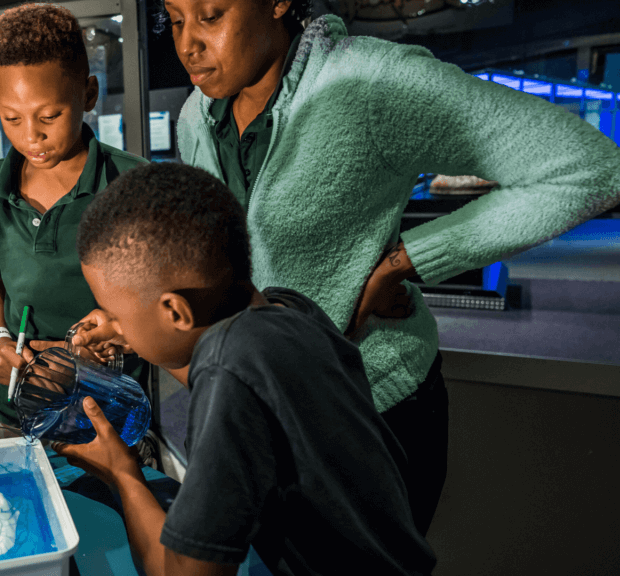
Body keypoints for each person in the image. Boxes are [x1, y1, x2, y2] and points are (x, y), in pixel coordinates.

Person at [151, 0, 620, 533]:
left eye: (211, 16)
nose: (187, 44)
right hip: (261, 410)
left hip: (369, 412)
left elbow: (590, 168)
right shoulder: (196, 117)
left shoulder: (372, 81)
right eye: (175, 20)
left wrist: (406, 260)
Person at [58, 162, 437, 576]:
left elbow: (184, 573)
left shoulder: (229, 372)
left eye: (114, 313)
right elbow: (228, 373)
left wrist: (122, 473)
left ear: (175, 312)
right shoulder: (289, 310)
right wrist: (136, 332)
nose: (112, 324)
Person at [0, 3, 149, 428]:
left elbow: (164, 309)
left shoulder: (135, 184)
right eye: (11, 118)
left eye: (49, 116)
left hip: (108, 415)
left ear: (88, 94)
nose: (31, 136)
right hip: (17, 412)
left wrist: (104, 349)